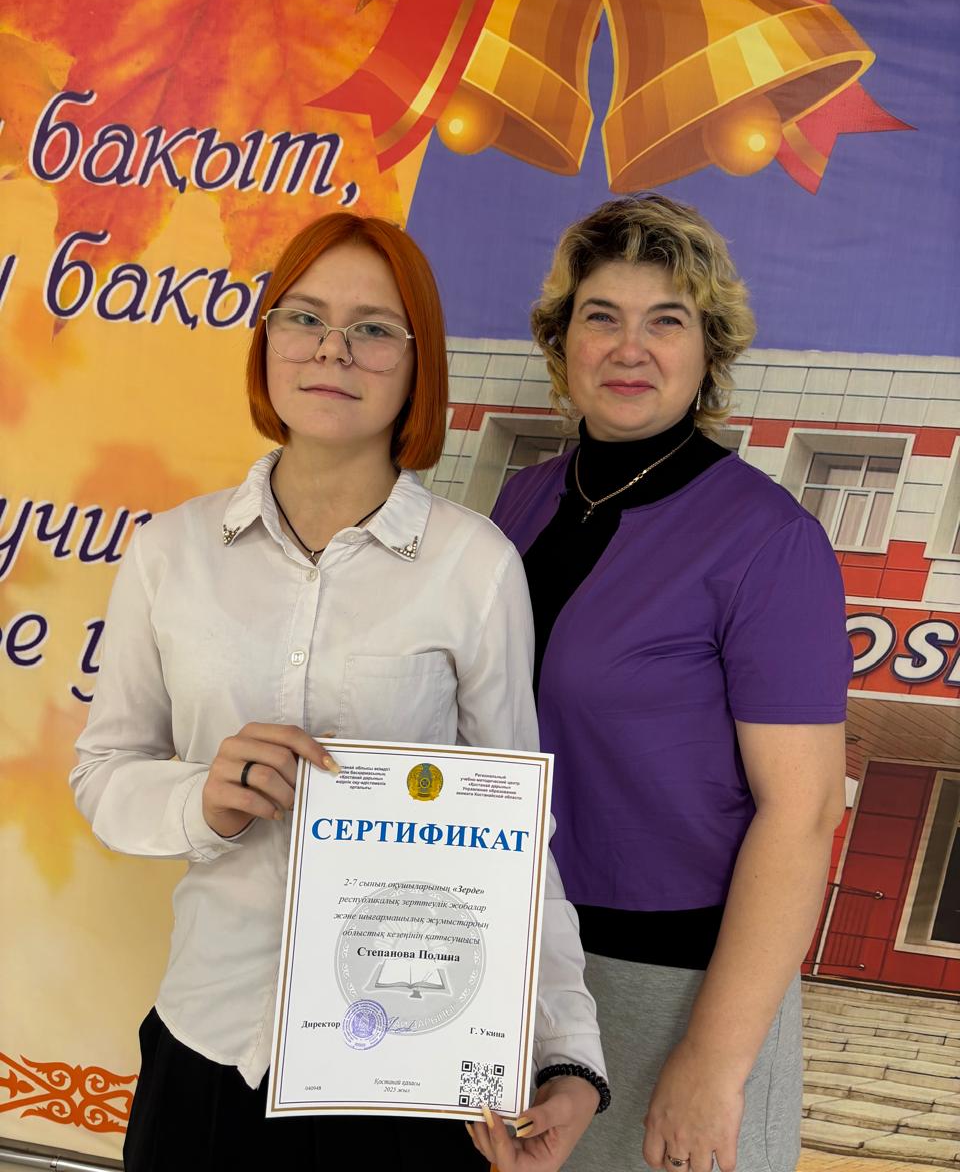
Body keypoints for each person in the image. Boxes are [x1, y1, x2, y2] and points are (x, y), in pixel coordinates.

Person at [70, 212, 608, 1172]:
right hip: (207, 1047)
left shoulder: (473, 566)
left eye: (373, 328)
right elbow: (105, 773)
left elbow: (520, 834)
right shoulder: (171, 552)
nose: (331, 349)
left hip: (403, 1071)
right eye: (304, 318)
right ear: (266, 340)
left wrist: (565, 1052)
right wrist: (202, 800)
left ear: (417, 363)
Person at [492, 196, 852, 1172]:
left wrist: (714, 1061)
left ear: (708, 351)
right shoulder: (521, 502)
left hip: (675, 985)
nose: (630, 347)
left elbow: (805, 809)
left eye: (667, 320)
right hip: (514, 957)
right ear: (562, 341)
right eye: (601, 316)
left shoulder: (770, 541)